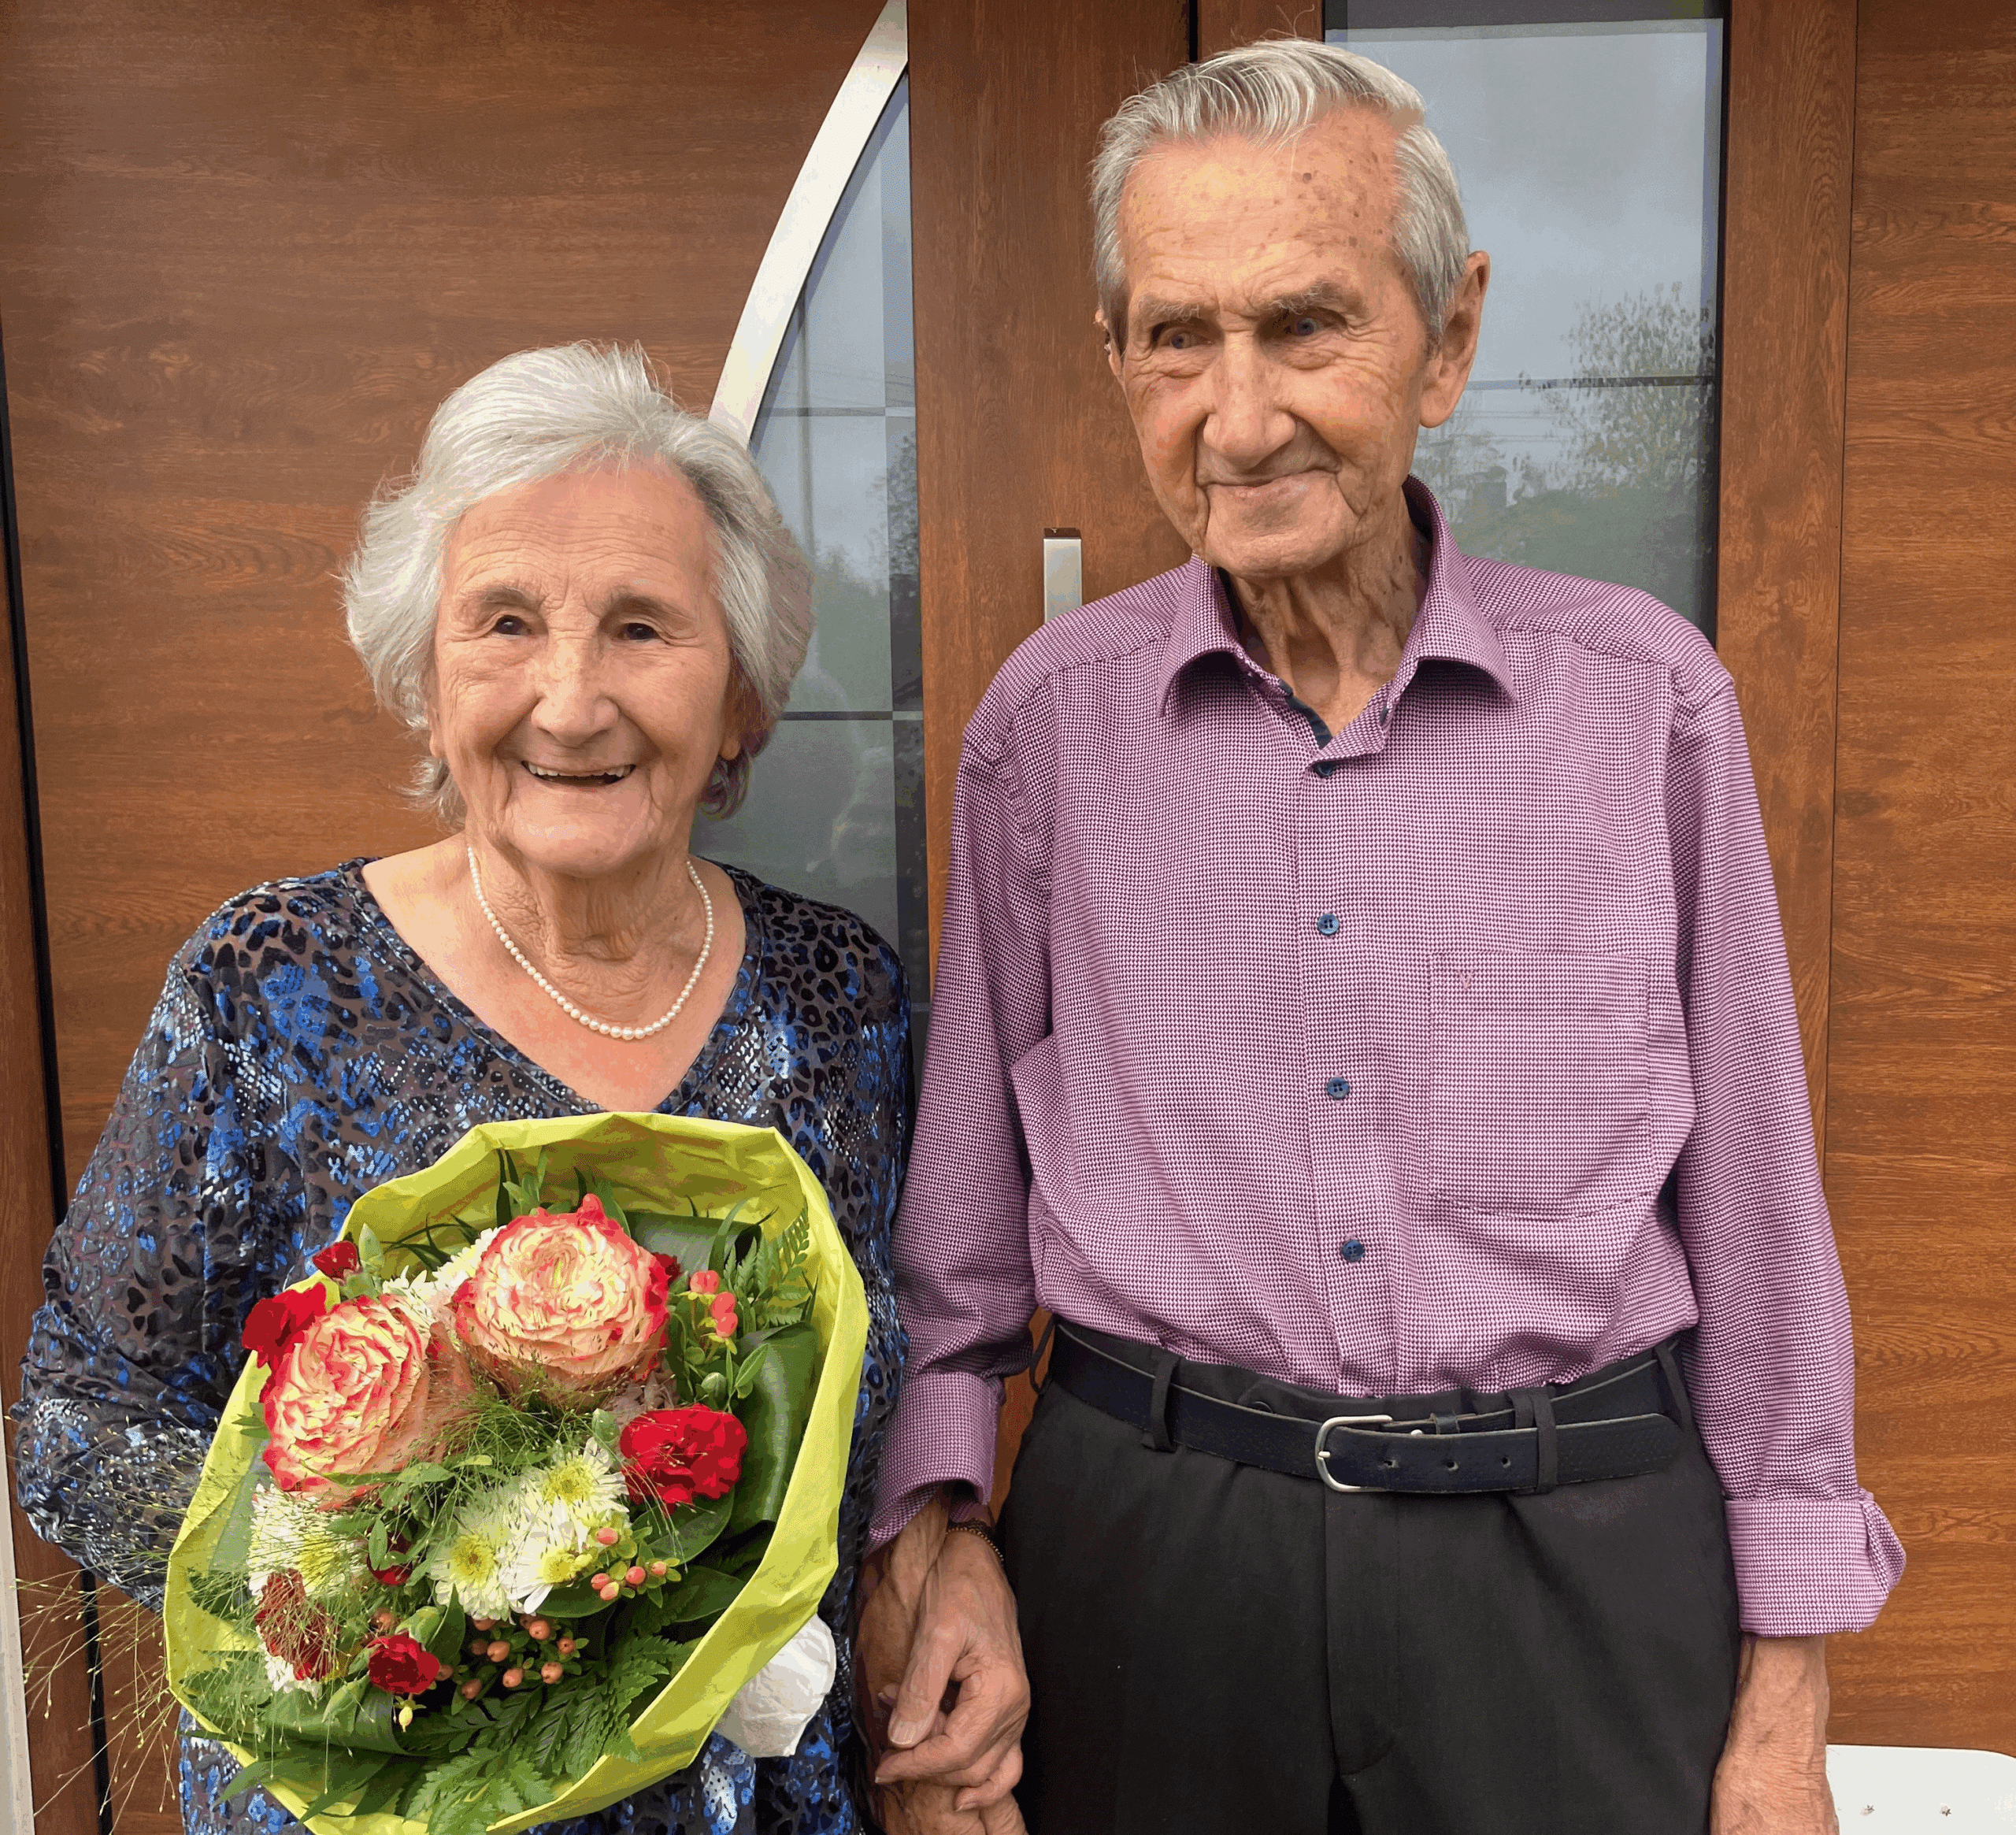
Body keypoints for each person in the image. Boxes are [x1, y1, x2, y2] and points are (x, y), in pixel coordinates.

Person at [859, 40, 1902, 1835]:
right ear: (1117, 358)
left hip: (1571, 1572)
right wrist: (935, 1550)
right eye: (1173, 336)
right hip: (1151, 1564)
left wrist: (1783, 1698)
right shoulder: (1048, 730)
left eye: (1303, 326)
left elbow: (1755, 1216)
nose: (1236, 413)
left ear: (1449, 337)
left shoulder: (1640, 703)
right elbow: (955, 1268)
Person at [12, 343, 912, 1835]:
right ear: (424, 680)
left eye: (641, 627)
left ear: (741, 694)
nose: (571, 701)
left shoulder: (842, 1000)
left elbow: (872, 1408)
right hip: (383, 1790)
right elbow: (78, 1416)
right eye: (505, 624)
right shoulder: (268, 982)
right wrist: (397, 1597)